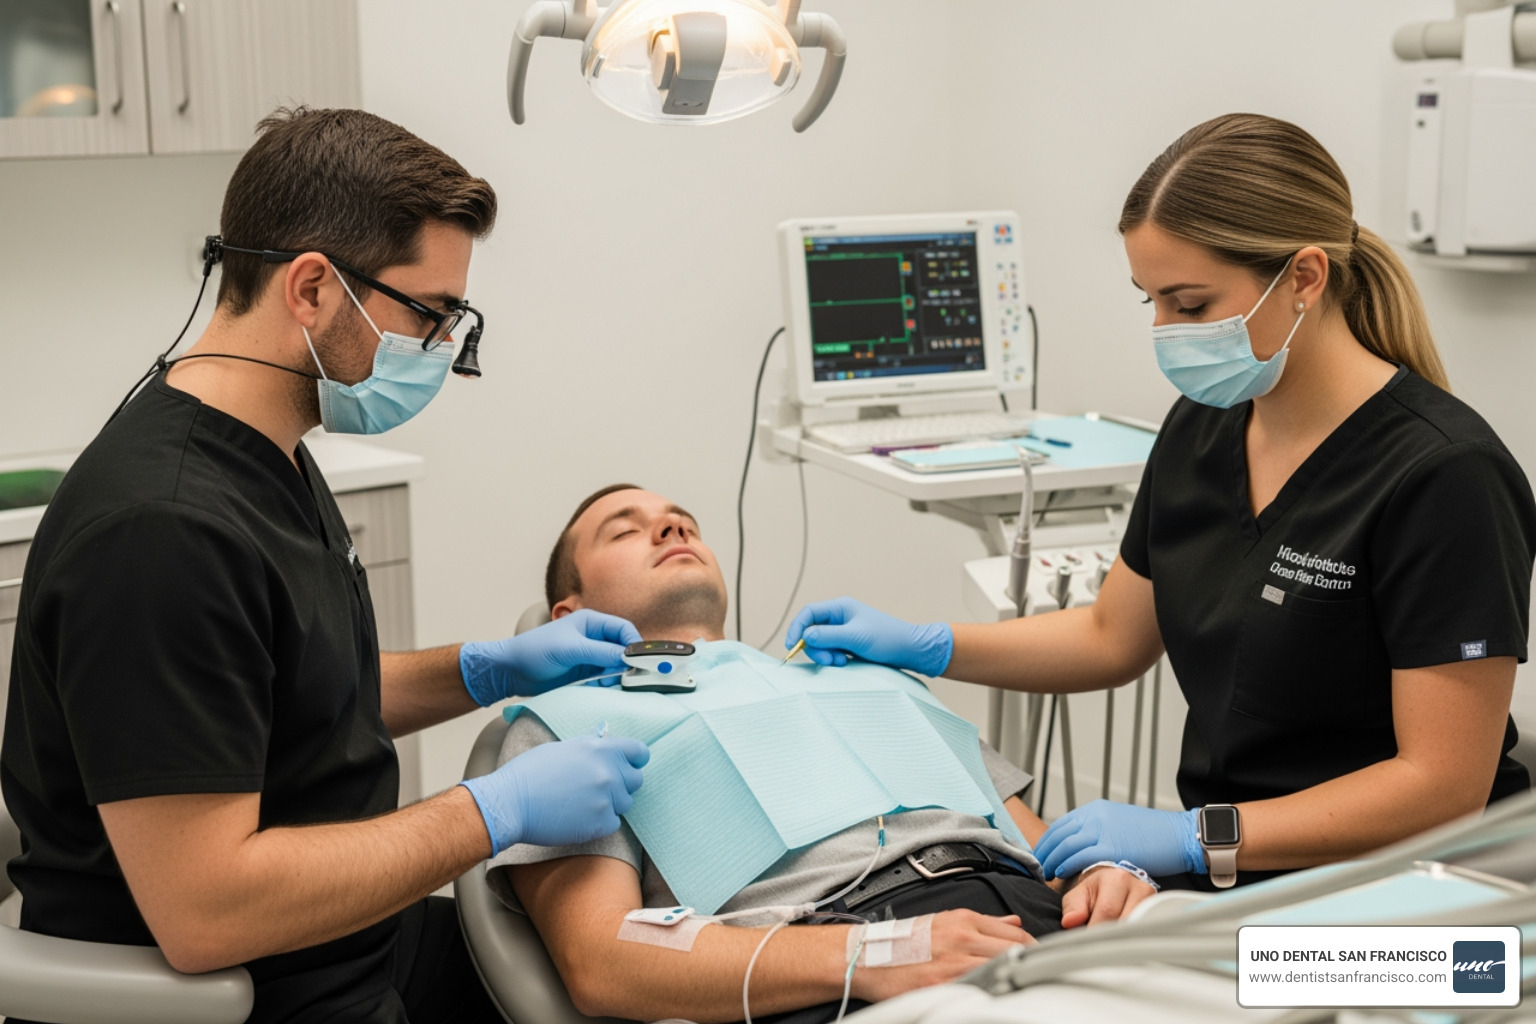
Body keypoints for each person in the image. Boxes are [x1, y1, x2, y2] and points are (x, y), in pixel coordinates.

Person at [0, 108, 650, 1024]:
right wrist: (491, 812)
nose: (439, 350)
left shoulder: (268, 448)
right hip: (242, 993)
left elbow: (285, 700)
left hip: (345, 947)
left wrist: (482, 670)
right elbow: (207, 911)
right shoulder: (165, 530)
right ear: (311, 288)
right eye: (429, 314)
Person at [787, 113, 1536, 893]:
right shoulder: (1204, 425)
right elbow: (1113, 636)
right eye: (1148, 299)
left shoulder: (1445, 477)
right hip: (1237, 873)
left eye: (1189, 303)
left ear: (1305, 278)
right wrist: (930, 644)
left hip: (1415, 900)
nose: (1164, 331)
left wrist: (1193, 836)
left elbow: (1441, 788)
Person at [488, 484, 1158, 1024]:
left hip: (1041, 926)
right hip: (840, 957)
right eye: (627, 529)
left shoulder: (877, 674)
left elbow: (1044, 850)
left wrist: (1102, 876)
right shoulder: (567, 729)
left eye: (683, 519)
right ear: (565, 614)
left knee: (1255, 980)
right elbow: (602, 962)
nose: (673, 529)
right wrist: (870, 954)